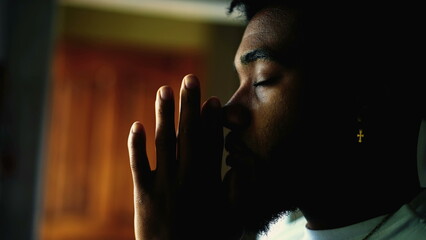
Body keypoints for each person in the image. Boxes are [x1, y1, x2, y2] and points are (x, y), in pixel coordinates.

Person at [127, 1, 426, 239]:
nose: (229, 112)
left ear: (361, 97)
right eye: (239, 82)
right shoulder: (282, 234)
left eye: (262, 80)